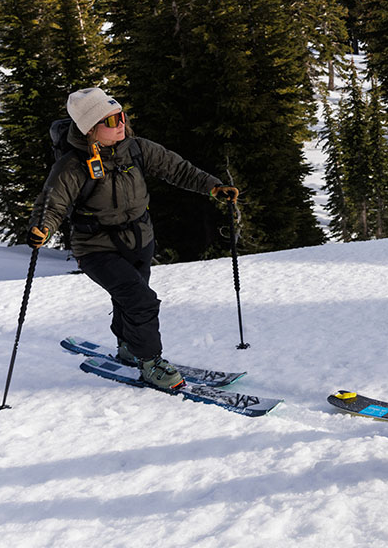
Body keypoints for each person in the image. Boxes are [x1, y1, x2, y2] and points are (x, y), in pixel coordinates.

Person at [25, 88, 239, 389]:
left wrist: (213, 187)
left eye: (120, 116)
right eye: (110, 121)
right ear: (90, 128)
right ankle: (150, 361)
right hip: (96, 247)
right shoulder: (72, 165)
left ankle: (128, 346)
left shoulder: (136, 148)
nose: (120, 124)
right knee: (141, 300)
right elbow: (52, 203)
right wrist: (42, 228)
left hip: (139, 239)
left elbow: (176, 168)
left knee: (129, 296)